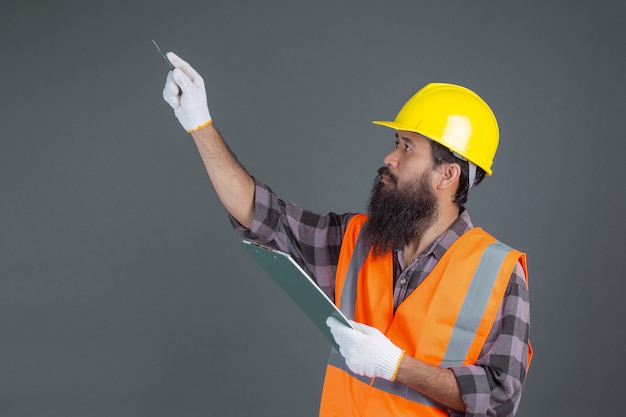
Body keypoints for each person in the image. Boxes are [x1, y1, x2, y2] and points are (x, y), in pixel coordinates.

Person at [161, 51, 532, 417]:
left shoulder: (497, 273)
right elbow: (263, 216)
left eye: (407, 147)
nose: (391, 157)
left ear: (447, 175)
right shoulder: (357, 240)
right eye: (396, 143)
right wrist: (200, 125)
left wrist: (395, 365)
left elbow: (500, 397)